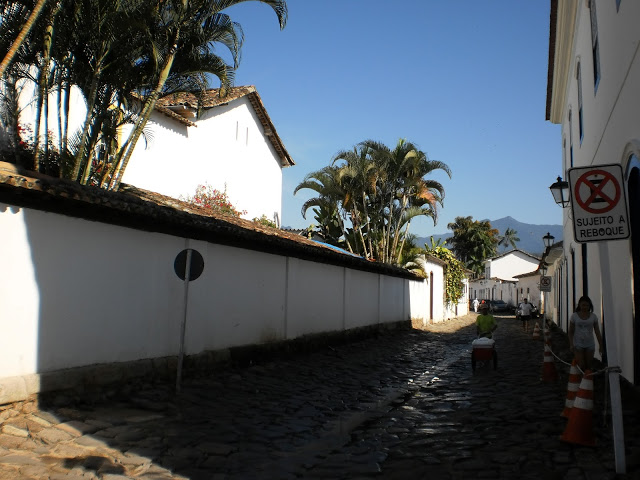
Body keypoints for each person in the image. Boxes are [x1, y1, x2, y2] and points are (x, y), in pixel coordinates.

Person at [569, 295, 604, 371]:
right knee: (581, 364)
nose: (585, 307)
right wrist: (571, 344)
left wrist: (601, 345)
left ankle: (588, 378)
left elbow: (597, 331)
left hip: (590, 344)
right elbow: (571, 331)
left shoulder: (593, 317)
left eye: (587, 305)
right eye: (583, 305)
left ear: (590, 306)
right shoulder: (574, 316)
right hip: (578, 343)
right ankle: (580, 377)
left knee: (589, 366)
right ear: (579, 305)